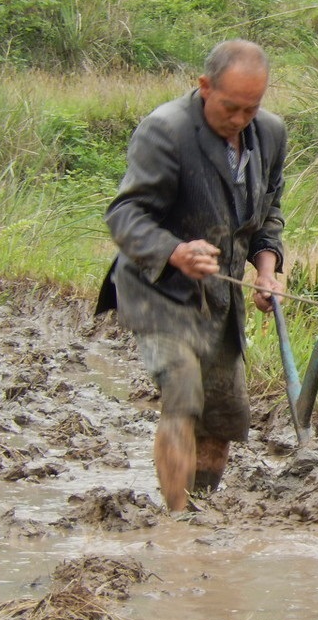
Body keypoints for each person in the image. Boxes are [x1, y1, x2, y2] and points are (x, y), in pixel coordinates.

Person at [96, 39, 288, 511]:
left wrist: (267, 271)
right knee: (183, 390)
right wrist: (175, 251)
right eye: (230, 107)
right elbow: (126, 214)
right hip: (160, 289)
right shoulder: (165, 131)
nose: (240, 119)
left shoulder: (270, 134)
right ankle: (176, 522)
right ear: (204, 87)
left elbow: (268, 216)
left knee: (224, 417)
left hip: (220, 295)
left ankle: (200, 508)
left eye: (252, 108)